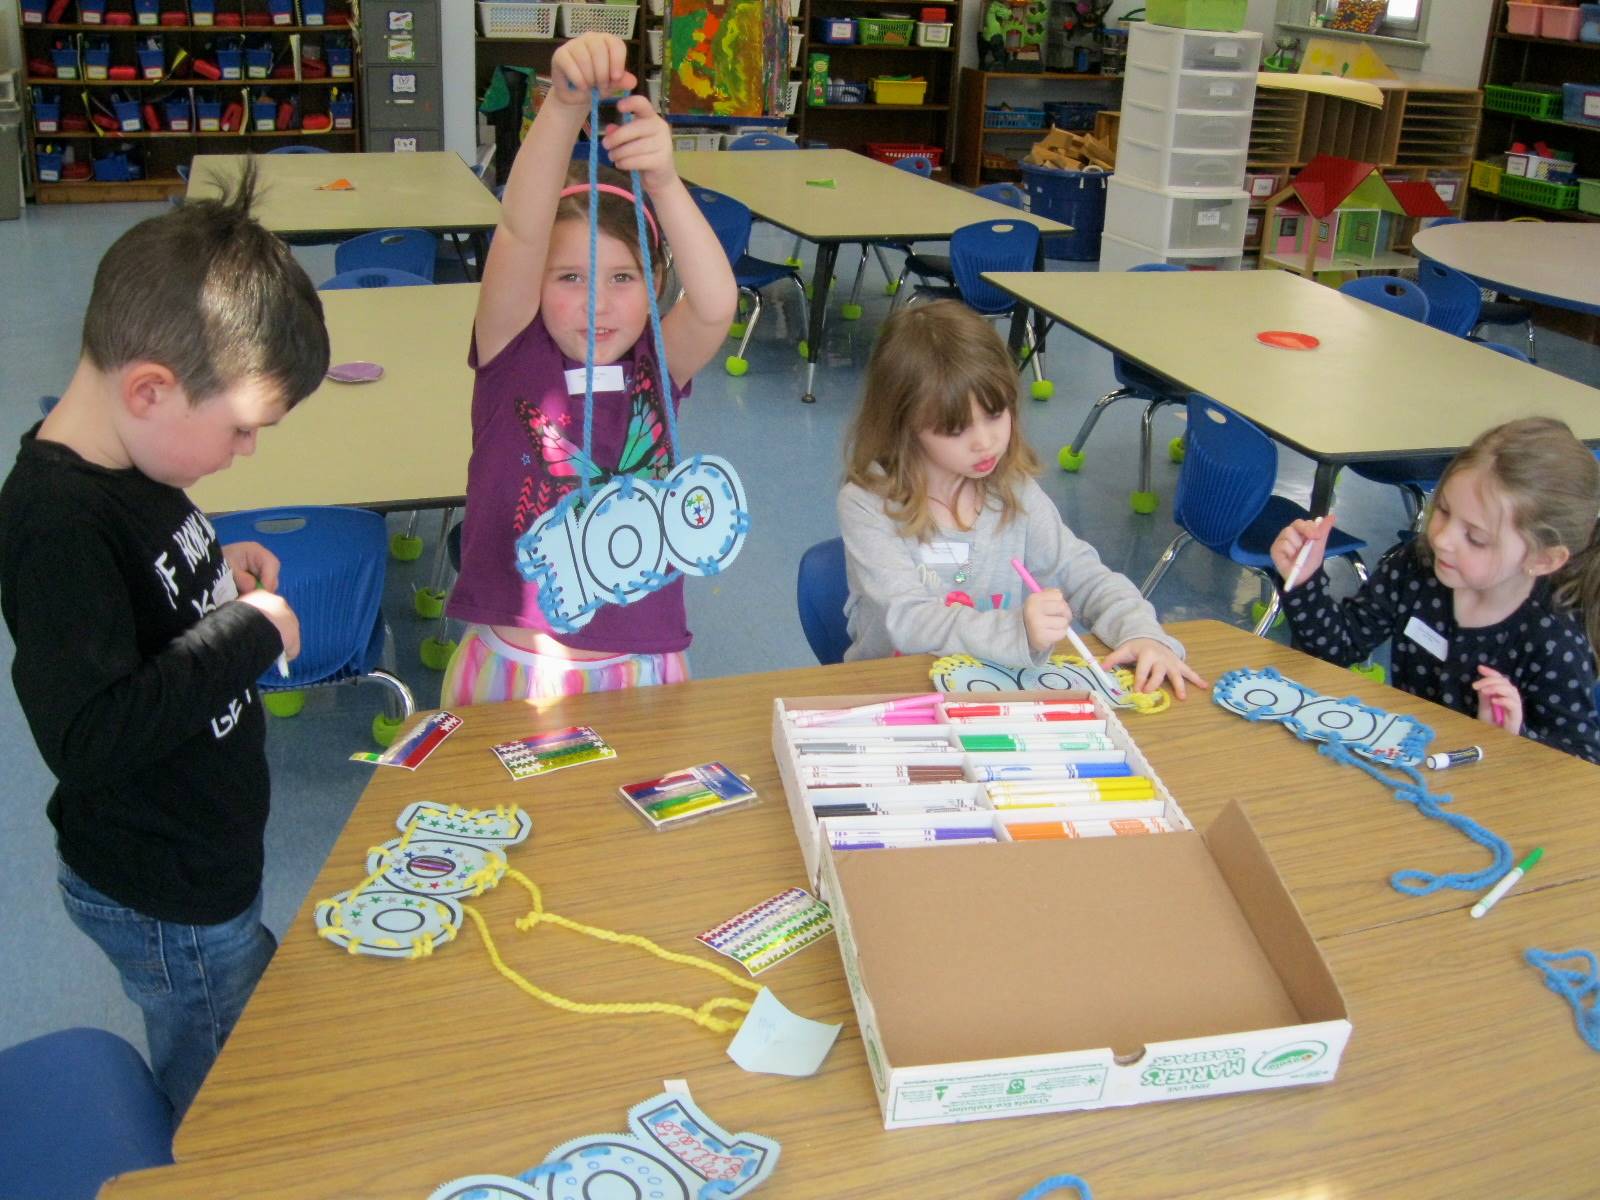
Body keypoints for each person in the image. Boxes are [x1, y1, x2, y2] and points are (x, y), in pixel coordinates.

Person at [0, 161, 328, 1117]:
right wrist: (248, 633)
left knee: (232, 1018)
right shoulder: (54, 525)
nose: (245, 453)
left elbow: (144, 603)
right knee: (222, 1085)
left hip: (199, 860)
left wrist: (215, 565)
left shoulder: (130, 455)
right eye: (239, 431)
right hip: (166, 889)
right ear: (149, 388)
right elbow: (91, 734)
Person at [442, 31, 737, 706]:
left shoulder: (655, 368)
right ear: (537, 284)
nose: (599, 301)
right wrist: (565, 106)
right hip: (514, 667)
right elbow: (519, 231)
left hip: (640, 669)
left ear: (655, 282)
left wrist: (663, 179)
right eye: (571, 276)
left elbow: (716, 304)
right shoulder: (513, 352)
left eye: (625, 278)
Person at [837, 300, 1205, 697]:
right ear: (904, 425)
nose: (985, 442)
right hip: (895, 693)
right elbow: (905, 619)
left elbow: (1082, 575)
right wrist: (1017, 631)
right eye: (954, 428)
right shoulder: (868, 504)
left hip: (991, 691)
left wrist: (1142, 633)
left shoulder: (1013, 491)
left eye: (996, 415)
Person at [1272, 417, 1600, 764]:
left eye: (1475, 538)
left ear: (1543, 559)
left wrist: (1514, 738)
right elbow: (1339, 647)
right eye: (1442, 510)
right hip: (1408, 766)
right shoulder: (1418, 566)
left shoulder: (1552, 637)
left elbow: (1581, 765)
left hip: (1487, 798)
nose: (1442, 539)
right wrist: (1304, 582)